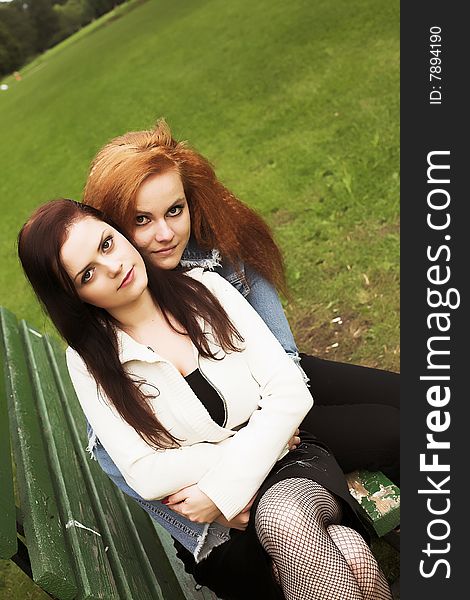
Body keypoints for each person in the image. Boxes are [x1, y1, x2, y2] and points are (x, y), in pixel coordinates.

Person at [18, 199, 392, 600]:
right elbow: (146, 474)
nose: (112, 267)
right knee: (350, 556)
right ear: (75, 297)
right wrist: (264, 442)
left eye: (107, 244)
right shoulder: (90, 363)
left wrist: (221, 488)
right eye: (88, 274)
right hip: (220, 528)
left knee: (283, 515)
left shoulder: (207, 289)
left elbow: (290, 392)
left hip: (288, 473)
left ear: (120, 233)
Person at [83, 119, 400, 486]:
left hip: (279, 382)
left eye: (175, 210)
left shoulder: (211, 246)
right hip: (242, 426)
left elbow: (287, 362)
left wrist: (285, 403)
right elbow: (112, 453)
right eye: (141, 220)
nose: (166, 234)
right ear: (109, 226)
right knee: (392, 430)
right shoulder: (111, 309)